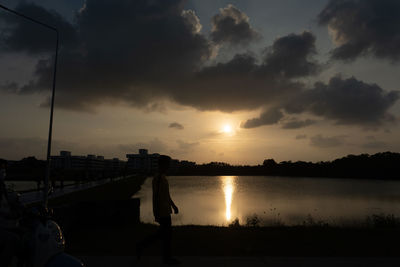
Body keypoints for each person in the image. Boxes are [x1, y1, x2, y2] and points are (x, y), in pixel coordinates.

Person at [136, 155, 180, 265]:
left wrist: (173, 206)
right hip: (162, 212)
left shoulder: (163, 178)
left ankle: (142, 246)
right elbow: (155, 197)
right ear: (163, 165)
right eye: (168, 164)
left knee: (163, 235)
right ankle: (166, 259)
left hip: (166, 210)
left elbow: (167, 195)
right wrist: (156, 213)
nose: (169, 166)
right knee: (166, 235)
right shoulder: (158, 178)